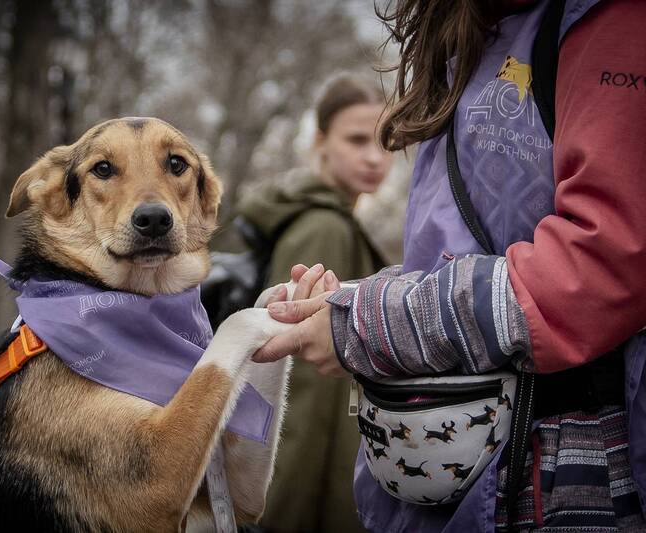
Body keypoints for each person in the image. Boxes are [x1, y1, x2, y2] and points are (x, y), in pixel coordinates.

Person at [253, 1, 646, 532]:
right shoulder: (471, 38)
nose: (373, 157)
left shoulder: (607, 21)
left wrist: (364, 320)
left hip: (555, 479)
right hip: (455, 479)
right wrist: (356, 307)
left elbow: (603, 263)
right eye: (353, 140)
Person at [237, 73, 389, 532]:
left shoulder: (333, 220)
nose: (375, 157)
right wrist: (281, 512)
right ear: (321, 141)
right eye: (357, 140)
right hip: (302, 491)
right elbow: (300, 388)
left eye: (385, 142)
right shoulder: (324, 229)